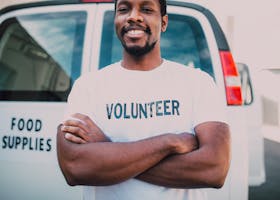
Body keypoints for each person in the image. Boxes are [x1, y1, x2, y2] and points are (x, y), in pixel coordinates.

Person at [56, 0, 231, 199]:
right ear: (116, 20)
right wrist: (169, 142)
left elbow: (215, 169)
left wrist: (107, 149)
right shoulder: (87, 86)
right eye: (123, 9)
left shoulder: (198, 83)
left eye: (146, 9)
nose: (133, 17)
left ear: (164, 23)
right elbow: (74, 167)